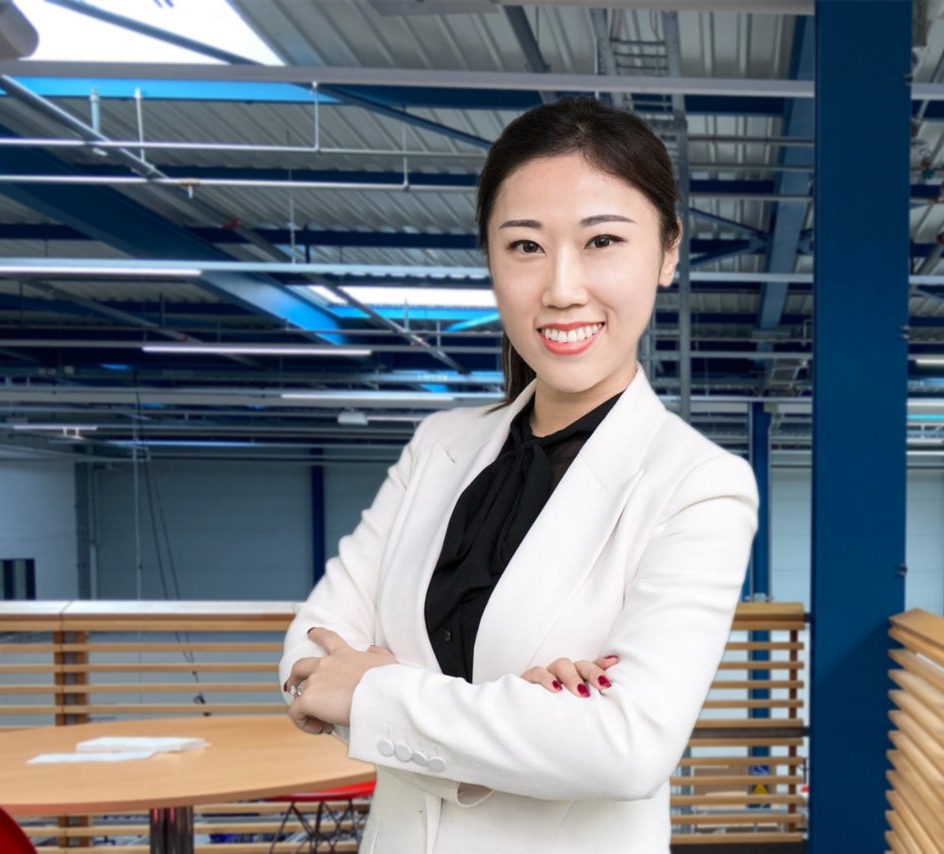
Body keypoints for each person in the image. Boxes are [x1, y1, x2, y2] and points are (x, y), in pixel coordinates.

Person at [280, 97, 759, 854]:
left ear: (668, 253)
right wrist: (520, 717)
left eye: (602, 240)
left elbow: (626, 746)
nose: (562, 288)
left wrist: (375, 691)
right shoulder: (439, 445)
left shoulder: (698, 484)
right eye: (526, 247)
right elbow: (309, 652)